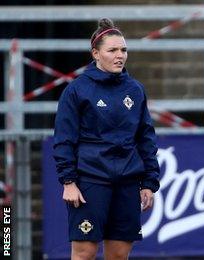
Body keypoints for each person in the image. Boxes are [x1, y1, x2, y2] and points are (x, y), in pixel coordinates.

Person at [53, 18, 160, 260]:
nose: (119, 55)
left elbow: (146, 137)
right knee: (84, 252)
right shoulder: (77, 90)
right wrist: (68, 181)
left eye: (123, 50)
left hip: (127, 181)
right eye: (112, 50)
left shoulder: (135, 89)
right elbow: (64, 138)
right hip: (90, 180)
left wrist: (149, 182)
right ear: (96, 54)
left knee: (120, 254)